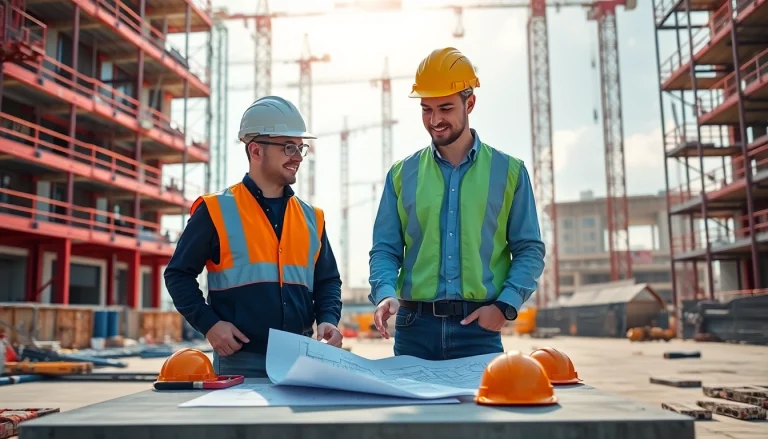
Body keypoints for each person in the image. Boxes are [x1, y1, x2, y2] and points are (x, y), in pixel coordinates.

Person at [368, 47, 545, 361]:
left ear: (470, 103)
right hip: (413, 329)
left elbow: (529, 248)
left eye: (446, 108)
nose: (435, 120)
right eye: (426, 109)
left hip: (479, 330)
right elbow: (385, 248)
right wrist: (384, 294)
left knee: (479, 411)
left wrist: (505, 307)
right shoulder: (401, 174)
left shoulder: (510, 172)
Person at [164, 95, 343, 377]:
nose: (297, 156)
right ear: (256, 150)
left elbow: (328, 281)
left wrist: (329, 319)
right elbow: (178, 274)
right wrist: (209, 324)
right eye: (288, 147)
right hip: (240, 362)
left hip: (301, 360)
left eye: (300, 148)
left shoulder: (313, 217)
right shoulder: (215, 210)